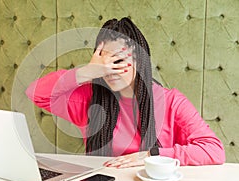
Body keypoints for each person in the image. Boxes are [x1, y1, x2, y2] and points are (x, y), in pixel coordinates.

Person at [26, 17, 225, 168]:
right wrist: (86, 72)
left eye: (118, 61)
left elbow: (214, 150)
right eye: (104, 62)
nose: (109, 70)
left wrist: (152, 155)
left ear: (139, 61)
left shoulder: (171, 102)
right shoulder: (90, 99)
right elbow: (35, 93)